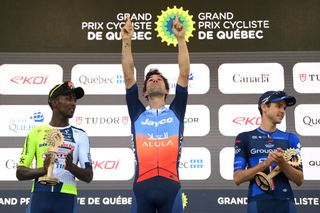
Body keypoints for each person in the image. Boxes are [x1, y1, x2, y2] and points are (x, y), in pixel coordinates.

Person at [121, 15, 190, 213]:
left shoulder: (177, 110)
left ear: (167, 90)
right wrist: (126, 41)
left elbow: (184, 74)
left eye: (159, 79)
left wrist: (181, 39)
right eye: (150, 80)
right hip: (142, 188)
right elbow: (128, 76)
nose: (154, 81)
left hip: (172, 188)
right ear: (144, 92)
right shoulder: (137, 112)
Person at [16, 81, 93, 213]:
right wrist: (43, 170)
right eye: (68, 99)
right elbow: (20, 173)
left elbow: (88, 176)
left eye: (74, 100)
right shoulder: (36, 133)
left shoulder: (80, 135)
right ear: (54, 102)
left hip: (66, 199)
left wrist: (71, 167)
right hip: (40, 197)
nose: (73, 103)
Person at [233, 91, 304, 213]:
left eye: (284, 108)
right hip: (258, 202)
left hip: (286, 202)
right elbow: (238, 178)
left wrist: (283, 163)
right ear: (264, 107)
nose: (282, 111)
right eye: (278, 106)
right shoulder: (245, 138)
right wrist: (266, 163)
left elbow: (299, 180)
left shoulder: (291, 139)